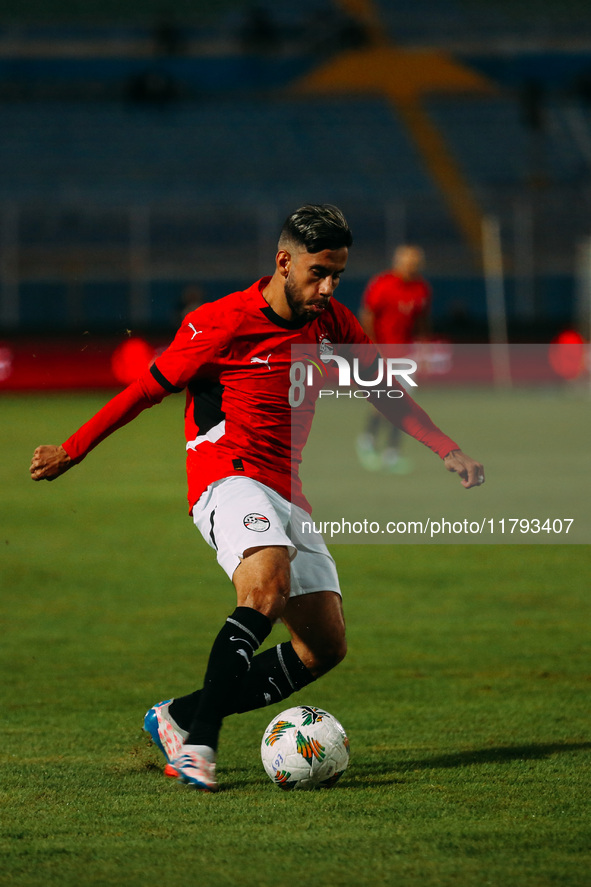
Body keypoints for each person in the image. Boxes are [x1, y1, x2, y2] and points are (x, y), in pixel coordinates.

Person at [30, 205, 484, 793]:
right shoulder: (222, 322)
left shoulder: (333, 322)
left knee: (324, 646)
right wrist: (73, 448)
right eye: (318, 272)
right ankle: (199, 747)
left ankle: (177, 717)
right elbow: (146, 389)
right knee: (265, 585)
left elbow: (384, 389)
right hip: (227, 474)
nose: (327, 287)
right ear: (283, 262)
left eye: (337, 275)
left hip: (287, 488)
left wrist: (445, 448)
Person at [357, 244, 431, 473]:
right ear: (398, 263)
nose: (413, 267)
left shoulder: (421, 288)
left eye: (416, 263)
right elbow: (367, 316)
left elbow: (421, 322)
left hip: (405, 355)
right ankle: (367, 440)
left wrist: (424, 349)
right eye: (409, 262)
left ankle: (392, 453)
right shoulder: (382, 285)